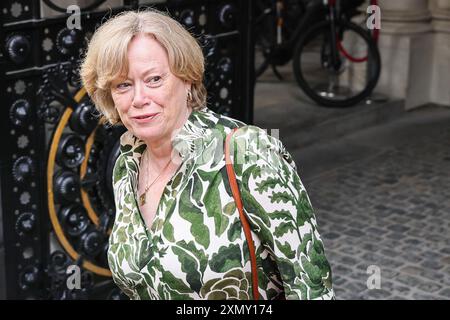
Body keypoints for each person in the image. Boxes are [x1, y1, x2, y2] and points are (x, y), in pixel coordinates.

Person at [80, 9, 335, 300]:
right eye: (123, 85)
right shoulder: (127, 163)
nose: (139, 99)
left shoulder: (247, 152)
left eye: (153, 79)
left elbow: (311, 288)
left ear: (186, 78)